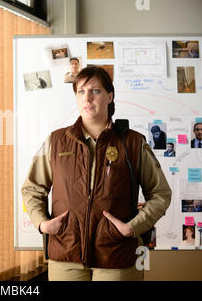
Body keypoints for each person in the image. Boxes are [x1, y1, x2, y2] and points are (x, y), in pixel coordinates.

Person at [21, 66, 172, 281]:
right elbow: (32, 188)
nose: (87, 97)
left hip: (116, 255)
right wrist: (42, 223)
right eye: (81, 91)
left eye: (96, 91)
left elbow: (161, 194)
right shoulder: (55, 141)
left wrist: (133, 227)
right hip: (65, 254)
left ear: (110, 96)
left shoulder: (133, 143)